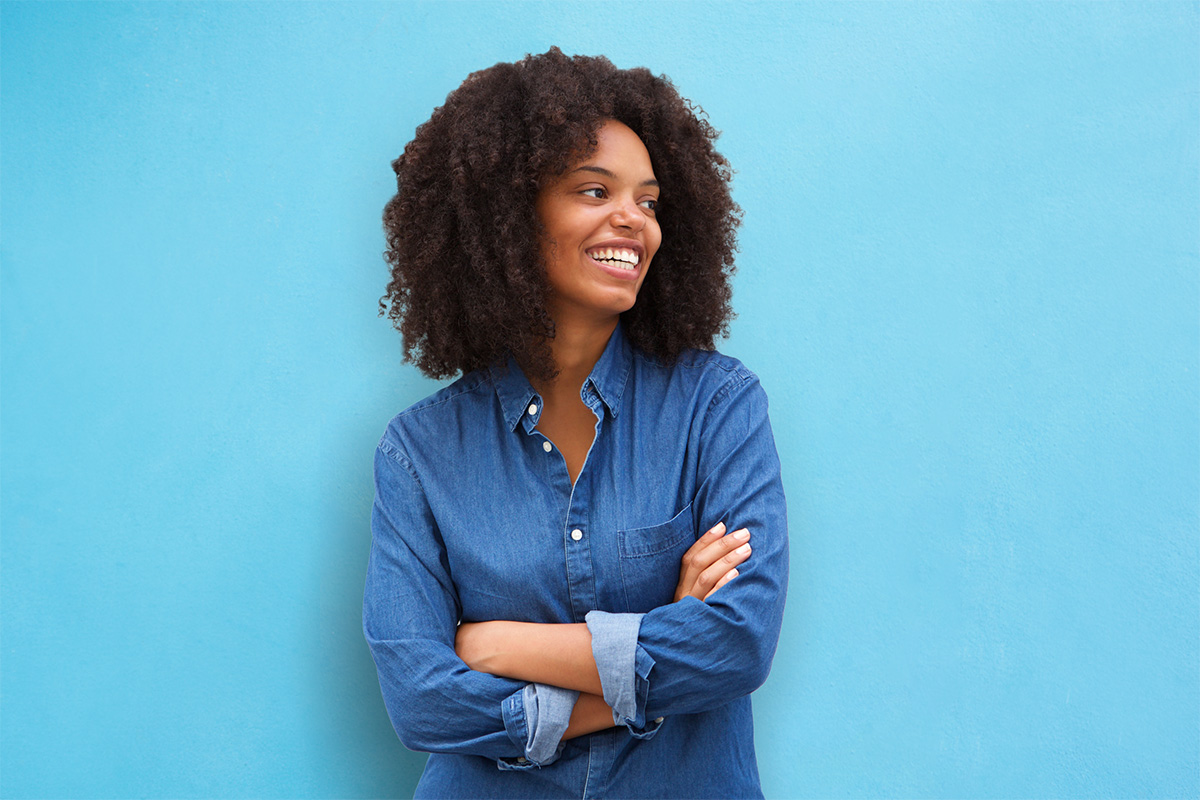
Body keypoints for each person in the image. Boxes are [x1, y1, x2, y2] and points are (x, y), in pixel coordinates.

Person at [363, 47, 788, 798]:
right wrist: (657, 649)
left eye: (650, 201)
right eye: (595, 191)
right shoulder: (418, 455)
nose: (634, 220)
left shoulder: (718, 408)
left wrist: (500, 646)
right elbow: (421, 701)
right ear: (508, 216)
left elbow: (737, 643)